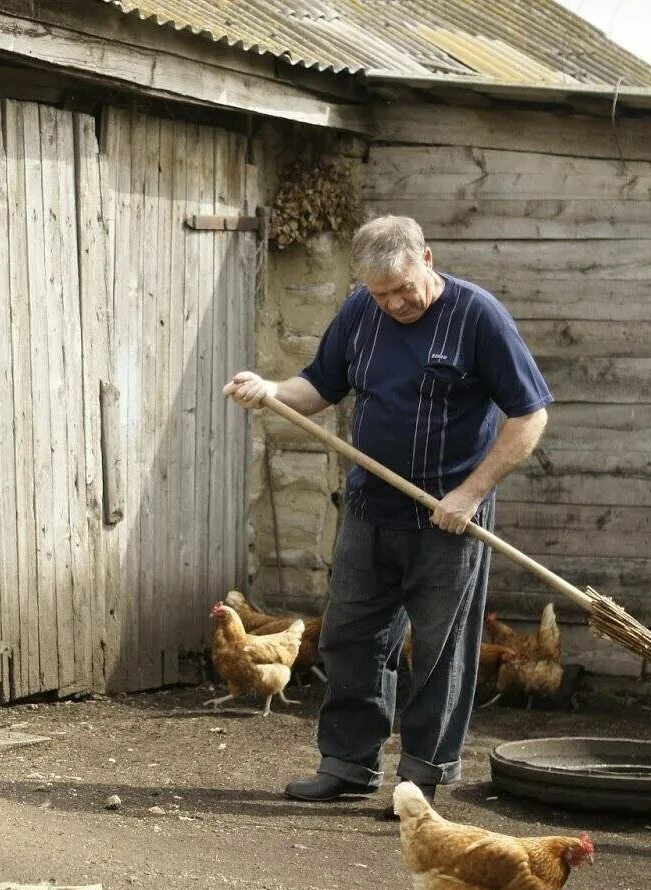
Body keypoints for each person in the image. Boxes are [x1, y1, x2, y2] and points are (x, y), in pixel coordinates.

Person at [223, 215, 552, 809]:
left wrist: (471, 494)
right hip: (371, 508)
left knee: (441, 647)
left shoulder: (478, 317)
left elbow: (529, 417)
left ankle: (422, 777)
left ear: (428, 257)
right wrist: (269, 389)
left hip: (449, 515)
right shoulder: (360, 313)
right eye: (381, 293)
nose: (396, 303)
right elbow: (317, 387)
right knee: (351, 635)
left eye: (403, 288)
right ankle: (347, 766)